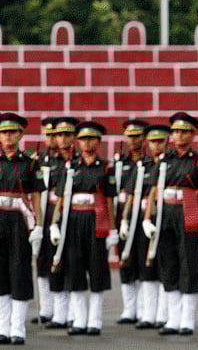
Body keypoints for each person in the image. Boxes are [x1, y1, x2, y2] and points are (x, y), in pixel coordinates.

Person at [142, 112, 198, 336]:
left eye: (184, 131)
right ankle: (172, 318)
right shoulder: (164, 160)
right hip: (166, 210)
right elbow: (154, 191)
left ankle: (187, 319)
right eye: (176, 131)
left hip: (189, 208)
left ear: (192, 134)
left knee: (188, 262)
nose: (179, 135)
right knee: (168, 261)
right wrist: (147, 218)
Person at [50, 121, 118, 336]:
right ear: (77, 142)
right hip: (74, 221)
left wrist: (112, 229)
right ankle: (79, 319)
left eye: (91, 139)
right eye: (83, 139)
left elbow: (108, 200)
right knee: (75, 268)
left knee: (97, 269)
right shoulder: (71, 167)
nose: (87, 143)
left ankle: (95, 321)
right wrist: (54, 224)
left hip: (95, 220)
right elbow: (62, 198)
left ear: (99, 142)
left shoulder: (106, 167)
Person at [0, 113, 45, 345]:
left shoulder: (30, 163)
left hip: (19, 220)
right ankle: (2, 327)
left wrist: (38, 224)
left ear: (21, 135)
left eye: (13, 132)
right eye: (4, 132)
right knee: (1, 274)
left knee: (19, 272)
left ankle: (17, 328)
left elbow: (36, 194)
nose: (8, 137)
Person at [120, 124, 170, 329]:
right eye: (152, 142)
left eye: (160, 141)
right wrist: (124, 219)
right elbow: (132, 195)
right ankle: (149, 314)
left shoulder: (171, 163)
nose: (156, 145)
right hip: (143, 218)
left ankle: (165, 314)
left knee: (166, 266)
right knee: (146, 266)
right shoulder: (144, 166)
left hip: (166, 217)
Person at [41, 117, 80, 330]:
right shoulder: (50, 163)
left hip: (75, 218)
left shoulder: (79, 162)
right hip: (52, 219)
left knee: (74, 264)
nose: (62, 140)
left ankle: (75, 313)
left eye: (67, 135)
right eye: (58, 135)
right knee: (53, 264)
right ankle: (59, 313)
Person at [116, 119, 149, 325]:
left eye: (137, 136)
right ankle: (129, 309)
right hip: (124, 216)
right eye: (129, 136)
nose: (133, 140)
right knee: (126, 261)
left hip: (145, 215)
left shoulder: (150, 162)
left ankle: (145, 309)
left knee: (143, 260)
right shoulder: (121, 163)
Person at [31, 117, 59, 325]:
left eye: (54, 135)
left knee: (58, 262)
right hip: (42, 215)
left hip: (58, 216)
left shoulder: (67, 161)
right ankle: (46, 310)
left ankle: (61, 311)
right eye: (47, 135)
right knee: (41, 262)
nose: (51, 139)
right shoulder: (37, 160)